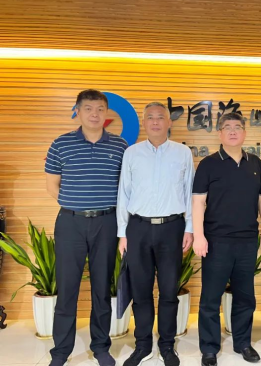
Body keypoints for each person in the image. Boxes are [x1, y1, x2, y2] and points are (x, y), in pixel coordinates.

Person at [45, 89, 128, 366]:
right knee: (67, 288)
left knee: (102, 288)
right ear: (78, 111)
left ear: (106, 113)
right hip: (71, 223)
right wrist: (77, 205)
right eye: (89, 108)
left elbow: (125, 187)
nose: (95, 114)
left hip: (107, 222)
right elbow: (52, 185)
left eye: (100, 109)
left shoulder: (120, 146)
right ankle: (61, 351)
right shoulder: (61, 144)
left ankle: (101, 347)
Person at [116, 102, 194, 366]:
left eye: (161, 117)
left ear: (169, 122)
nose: (156, 122)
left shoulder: (183, 153)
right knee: (141, 290)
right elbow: (124, 193)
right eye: (150, 117)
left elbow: (190, 192)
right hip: (137, 228)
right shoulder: (132, 153)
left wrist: (190, 228)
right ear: (144, 122)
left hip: (172, 228)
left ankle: (167, 345)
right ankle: (143, 345)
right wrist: (123, 232)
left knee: (169, 290)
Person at [192, 113, 261, 366]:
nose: (233, 131)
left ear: (245, 133)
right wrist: (199, 236)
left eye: (238, 127)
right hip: (216, 241)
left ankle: (243, 343)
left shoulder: (255, 163)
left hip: (247, 241)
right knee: (210, 298)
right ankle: (209, 348)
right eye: (227, 127)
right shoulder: (208, 164)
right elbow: (198, 202)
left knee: (245, 296)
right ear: (220, 133)